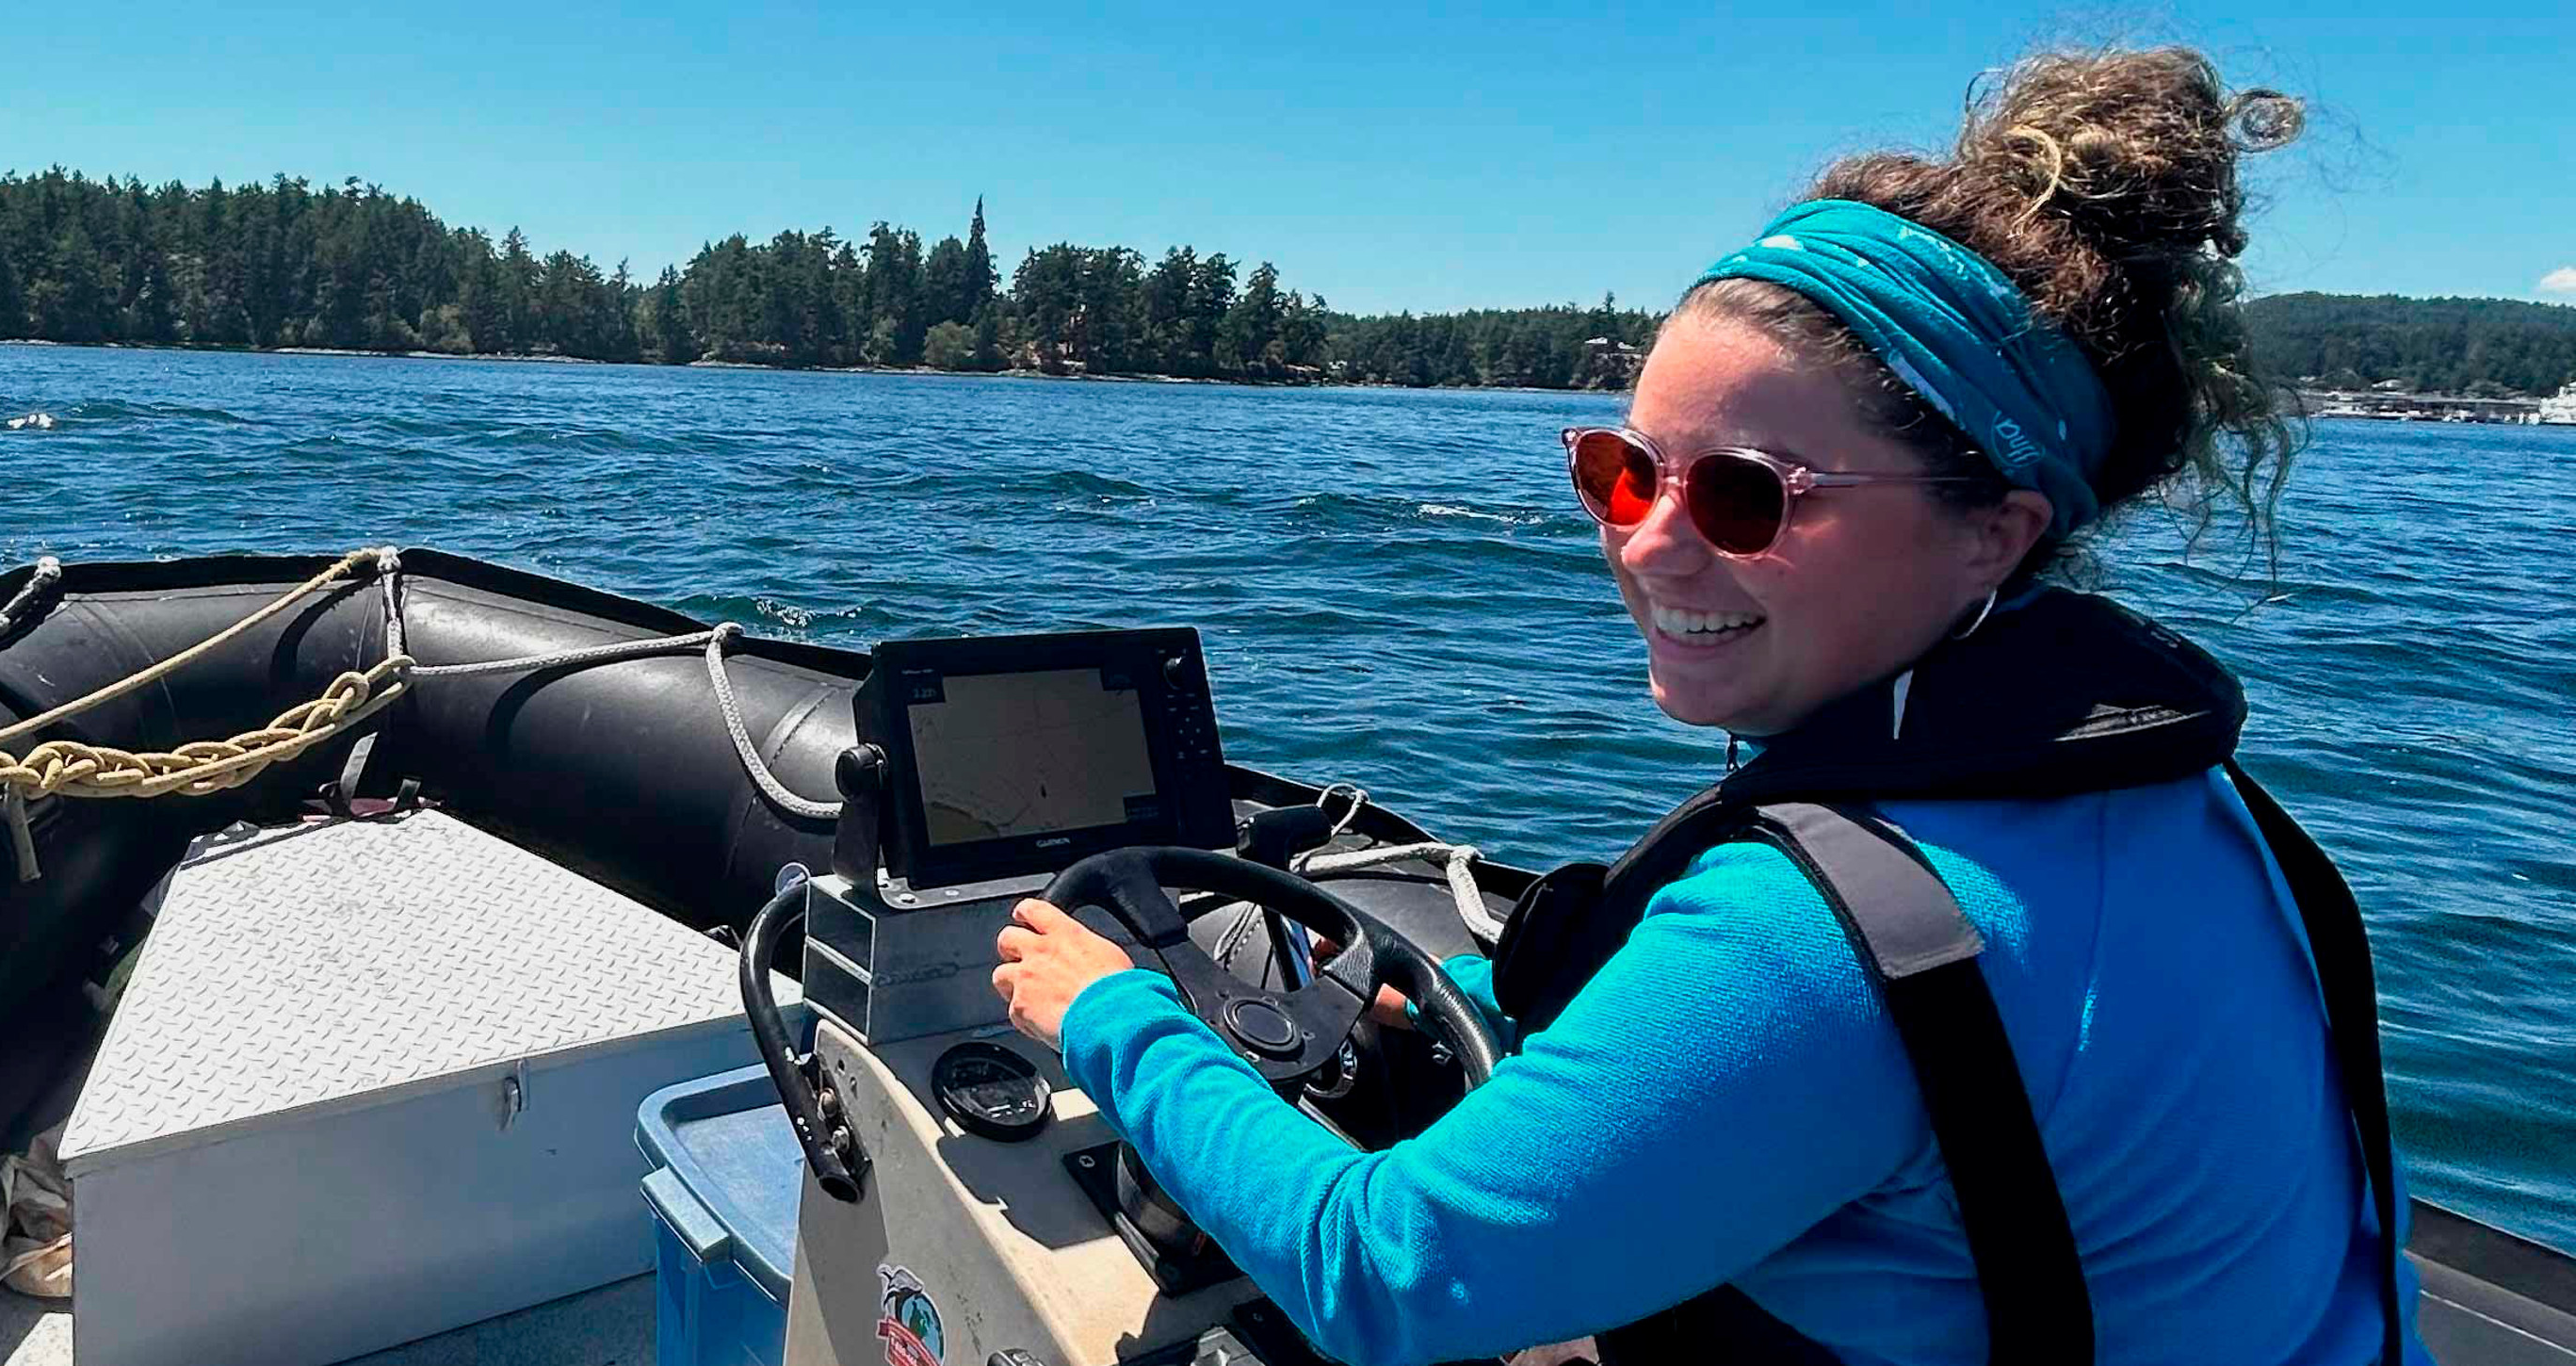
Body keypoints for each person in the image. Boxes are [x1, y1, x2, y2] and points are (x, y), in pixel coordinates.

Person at [990, 46, 2432, 1366]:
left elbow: (1388, 1272)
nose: (1649, 542)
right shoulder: (2206, 806)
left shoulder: (1817, 939)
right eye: (1623, 469)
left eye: (1749, 496)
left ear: (1993, 529)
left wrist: (1119, 1016)